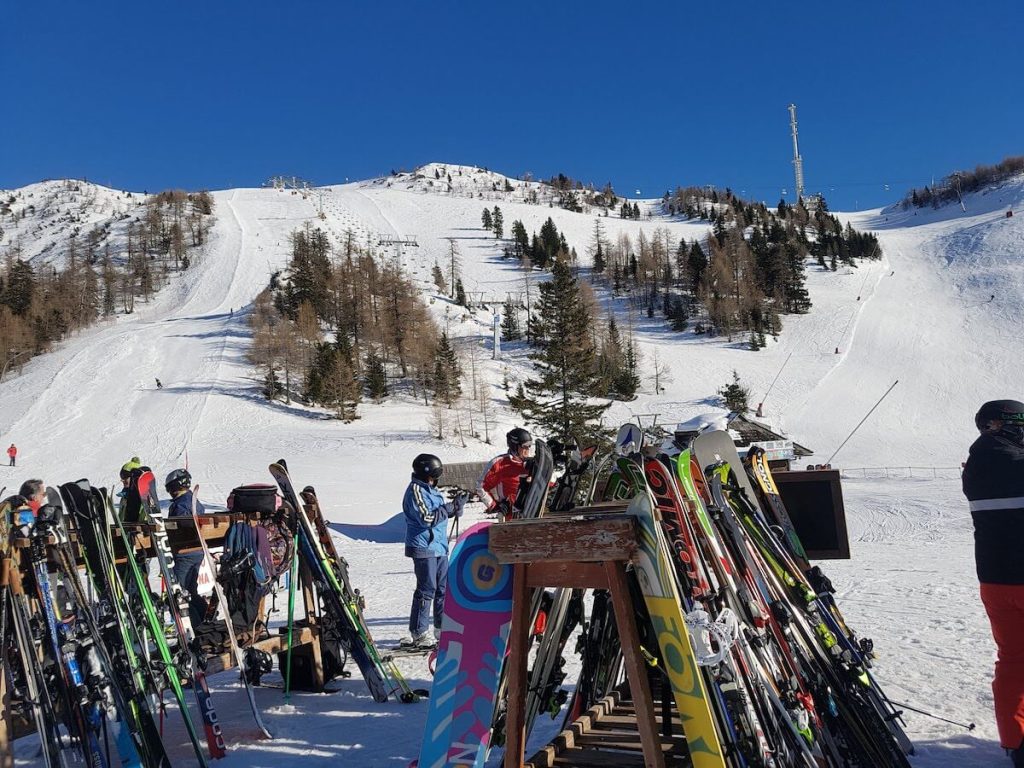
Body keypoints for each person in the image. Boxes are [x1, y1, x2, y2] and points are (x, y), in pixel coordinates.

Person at [963, 399, 1024, 766]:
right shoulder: (1016, 463)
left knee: (1014, 660)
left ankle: (1017, 744)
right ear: (1004, 425)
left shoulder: (974, 467)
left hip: (996, 582)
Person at [401, 453, 465, 647]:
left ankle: (441, 627)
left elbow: (441, 513)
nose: (435, 479)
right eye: (434, 475)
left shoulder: (431, 490)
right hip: (423, 546)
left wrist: (455, 507)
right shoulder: (416, 491)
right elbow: (426, 518)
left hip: (438, 546)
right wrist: (448, 508)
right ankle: (419, 632)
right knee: (426, 589)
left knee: (443, 590)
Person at [165, 468, 209, 627]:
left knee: (178, 595)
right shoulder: (193, 501)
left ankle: (194, 627)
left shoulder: (182, 505)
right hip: (196, 552)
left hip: (185, 553)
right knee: (190, 592)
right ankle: (205, 621)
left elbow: (182, 529)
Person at [478, 428, 533, 520]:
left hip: (534, 512)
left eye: (529, 445)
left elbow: (547, 482)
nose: (527, 449)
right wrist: (495, 505)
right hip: (513, 517)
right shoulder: (500, 464)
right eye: (525, 446)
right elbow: (481, 487)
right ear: (515, 446)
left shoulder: (532, 464)